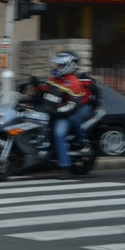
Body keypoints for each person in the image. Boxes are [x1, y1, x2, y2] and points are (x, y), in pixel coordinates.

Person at [40, 51, 91, 179]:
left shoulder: (73, 82)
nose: (54, 67)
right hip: (51, 111)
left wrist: (57, 113)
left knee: (59, 134)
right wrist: (35, 87)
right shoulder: (54, 78)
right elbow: (45, 91)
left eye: (57, 65)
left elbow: (72, 105)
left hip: (62, 114)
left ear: (66, 66)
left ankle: (65, 167)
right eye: (55, 65)